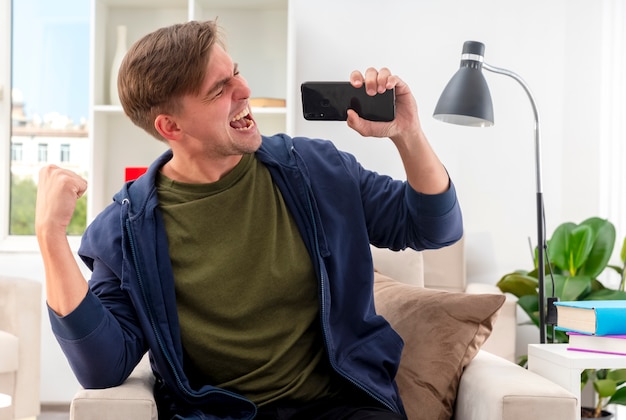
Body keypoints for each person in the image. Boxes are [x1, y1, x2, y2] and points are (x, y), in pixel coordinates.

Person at [35, 20, 462, 420]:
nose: (244, 89)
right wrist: (51, 237)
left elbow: (433, 227)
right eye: (220, 88)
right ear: (171, 125)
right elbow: (102, 367)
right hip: (219, 412)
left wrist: (408, 133)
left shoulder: (316, 169)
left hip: (341, 405)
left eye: (235, 72)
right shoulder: (124, 230)